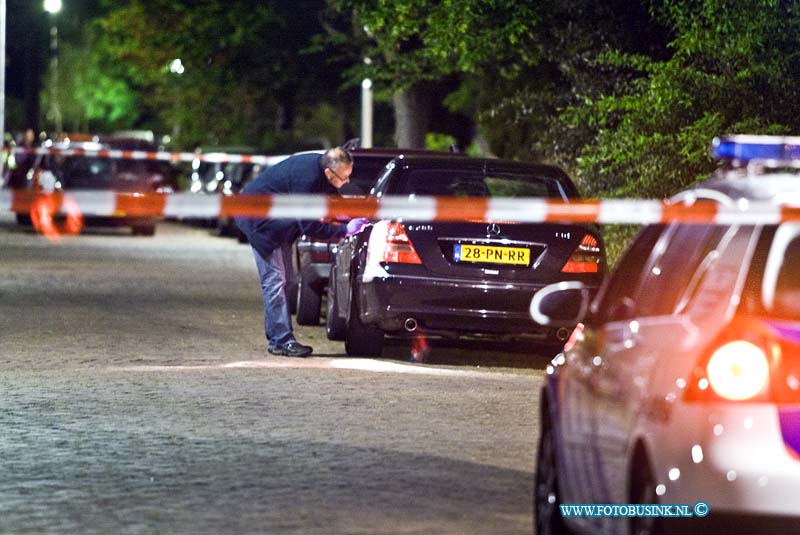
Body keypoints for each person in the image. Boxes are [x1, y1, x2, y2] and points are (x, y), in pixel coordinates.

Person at [235, 147, 368, 357]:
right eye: (344, 178)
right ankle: (282, 340)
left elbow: (331, 195)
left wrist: (349, 213)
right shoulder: (306, 180)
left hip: (276, 223)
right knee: (275, 281)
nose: (346, 182)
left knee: (284, 281)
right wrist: (344, 229)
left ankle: (277, 337)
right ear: (329, 173)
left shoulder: (322, 169)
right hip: (260, 222)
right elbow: (309, 227)